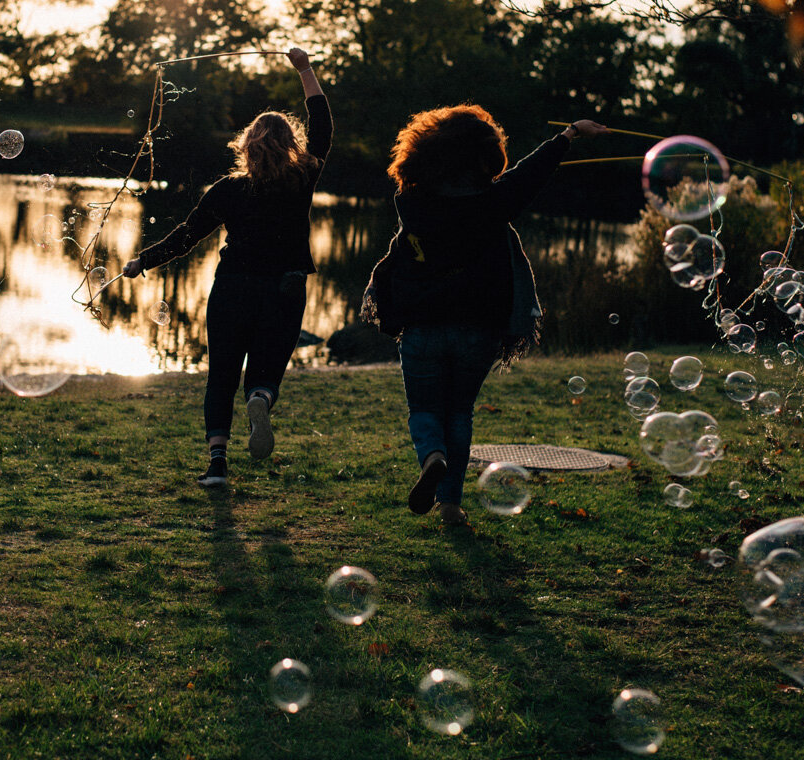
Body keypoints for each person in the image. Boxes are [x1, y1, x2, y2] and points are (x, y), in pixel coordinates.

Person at [366, 108, 607, 525]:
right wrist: (568, 134)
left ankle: (432, 456)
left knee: (424, 410)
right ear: (484, 156)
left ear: (427, 152)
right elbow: (529, 175)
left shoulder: (412, 202)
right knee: (459, 413)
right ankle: (450, 505)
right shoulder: (494, 204)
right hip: (478, 329)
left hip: (423, 327)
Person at [122, 48, 331, 487]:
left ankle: (217, 464)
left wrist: (144, 260)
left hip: (233, 286)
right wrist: (305, 70)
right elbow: (324, 127)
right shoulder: (302, 178)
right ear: (292, 145)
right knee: (267, 366)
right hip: (285, 286)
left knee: (221, 376)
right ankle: (260, 396)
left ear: (247, 146)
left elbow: (187, 235)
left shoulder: (228, 190)